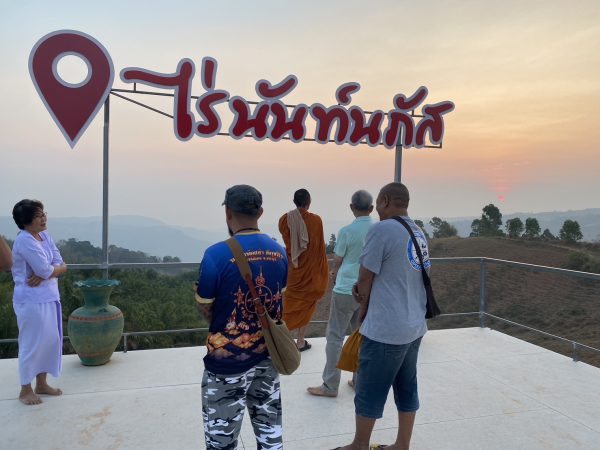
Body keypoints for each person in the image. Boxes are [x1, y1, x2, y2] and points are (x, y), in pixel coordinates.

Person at [337, 183, 429, 450]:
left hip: (386, 328)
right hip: (414, 326)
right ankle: (402, 444)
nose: (377, 209)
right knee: (407, 389)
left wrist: (363, 312)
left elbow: (365, 278)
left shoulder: (382, 229)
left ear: (386, 200)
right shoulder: (418, 231)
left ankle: (359, 444)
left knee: (369, 390)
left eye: (378, 203)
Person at [195, 184, 288, 450]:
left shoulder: (215, 255)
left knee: (221, 440)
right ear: (260, 212)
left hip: (226, 364)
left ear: (228, 213)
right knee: (270, 435)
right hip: (267, 358)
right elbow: (277, 300)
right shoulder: (279, 252)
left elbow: (205, 307)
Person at [307, 190, 373, 398]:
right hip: (368, 290)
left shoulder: (346, 231)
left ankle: (330, 385)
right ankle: (359, 381)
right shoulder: (377, 230)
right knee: (361, 335)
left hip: (345, 289)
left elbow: (338, 259)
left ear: (352, 207)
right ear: (371, 208)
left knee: (335, 336)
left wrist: (334, 272)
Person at [11, 199, 67, 405]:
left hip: (50, 297)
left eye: (44, 213)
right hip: (31, 301)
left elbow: (58, 262)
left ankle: (41, 384)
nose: (44, 218)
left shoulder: (44, 236)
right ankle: (25, 390)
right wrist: (53, 271)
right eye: (38, 215)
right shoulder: (24, 240)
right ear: (26, 221)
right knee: (32, 344)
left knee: (49, 341)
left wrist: (54, 270)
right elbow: (45, 269)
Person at [278, 188, 328, 351]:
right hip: (310, 272)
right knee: (307, 305)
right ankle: (300, 341)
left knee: (290, 306)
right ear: (309, 202)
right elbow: (319, 248)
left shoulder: (284, 220)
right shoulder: (316, 221)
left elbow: (289, 243)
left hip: (293, 270)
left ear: (294, 202)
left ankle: (282, 341)